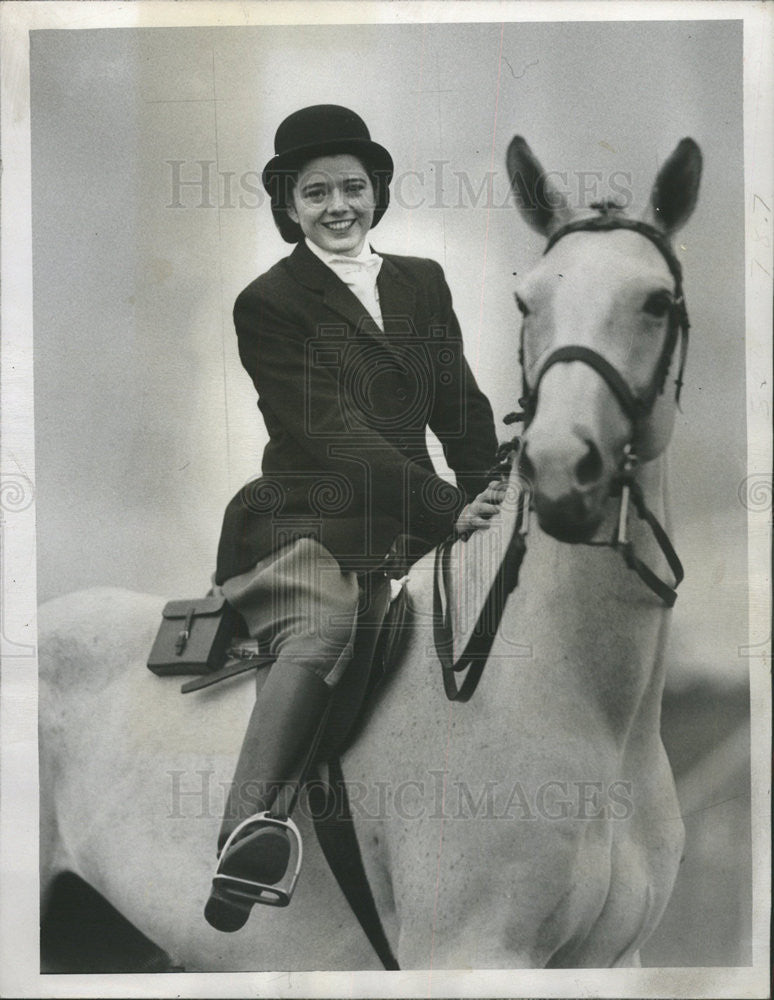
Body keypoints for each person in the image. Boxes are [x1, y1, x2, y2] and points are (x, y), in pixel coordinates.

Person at [206, 105, 503, 931]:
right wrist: (450, 507)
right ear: (289, 206)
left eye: (352, 187)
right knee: (329, 621)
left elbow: (461, 406)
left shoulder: (422, 281)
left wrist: (491, 492)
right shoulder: (267, 302)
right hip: (306, 515)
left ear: (376, 192)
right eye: (315, 193)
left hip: (408, 519)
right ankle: (246, 830)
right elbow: (332, 433)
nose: (338, 206)